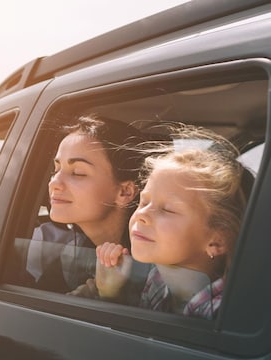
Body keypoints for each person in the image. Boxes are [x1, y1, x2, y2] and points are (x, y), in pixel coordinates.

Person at [95, 125, 249, 319]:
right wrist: (109, 293)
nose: (142, 214)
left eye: (167, 209)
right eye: (143, 201)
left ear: (217, 242)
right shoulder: (158, 279)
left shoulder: (226, 314)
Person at [21, 114, 146, 292]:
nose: (54, 183)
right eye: (56, 169)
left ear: (124, 192)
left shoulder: (152, 270)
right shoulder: (72, 255)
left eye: (78, 172)